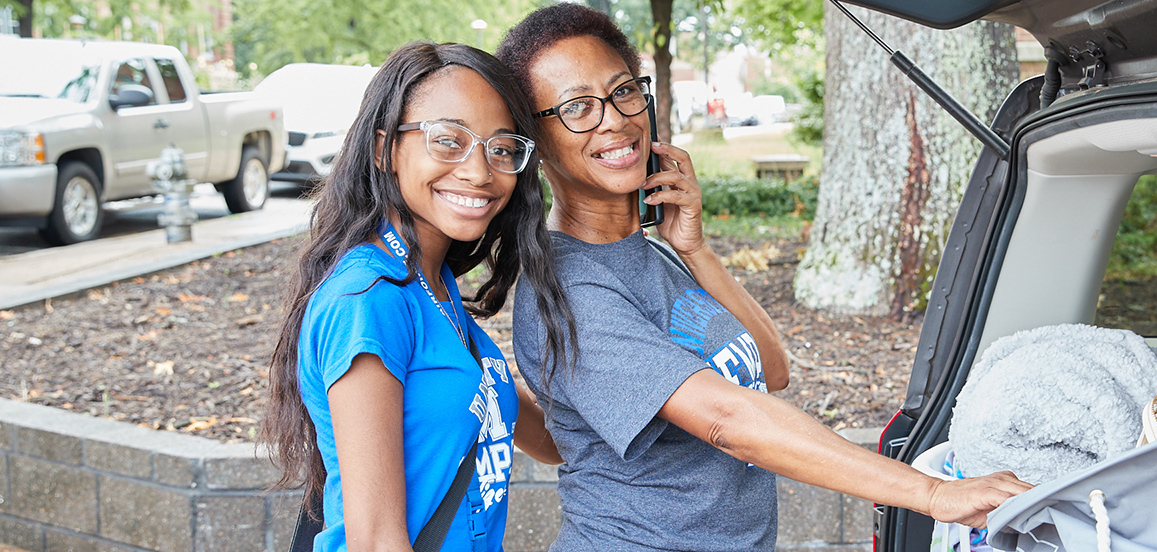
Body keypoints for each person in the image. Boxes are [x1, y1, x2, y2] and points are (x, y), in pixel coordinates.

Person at [497, 6, 1032, 551]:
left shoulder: (652, 255)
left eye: (623, 91)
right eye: (576, 108)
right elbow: (727, 420)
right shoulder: (567, 292)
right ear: (533, 141)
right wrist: (934, 495)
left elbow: (769, 370)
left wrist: (697, 250)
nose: (613, 119)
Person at [261, 42, 574, 552]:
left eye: (501, 148)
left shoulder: (432, 283)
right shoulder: (369, 300)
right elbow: (377, 541)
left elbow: (547, 439)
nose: (479, 172)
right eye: (448, 141)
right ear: (385, 149)